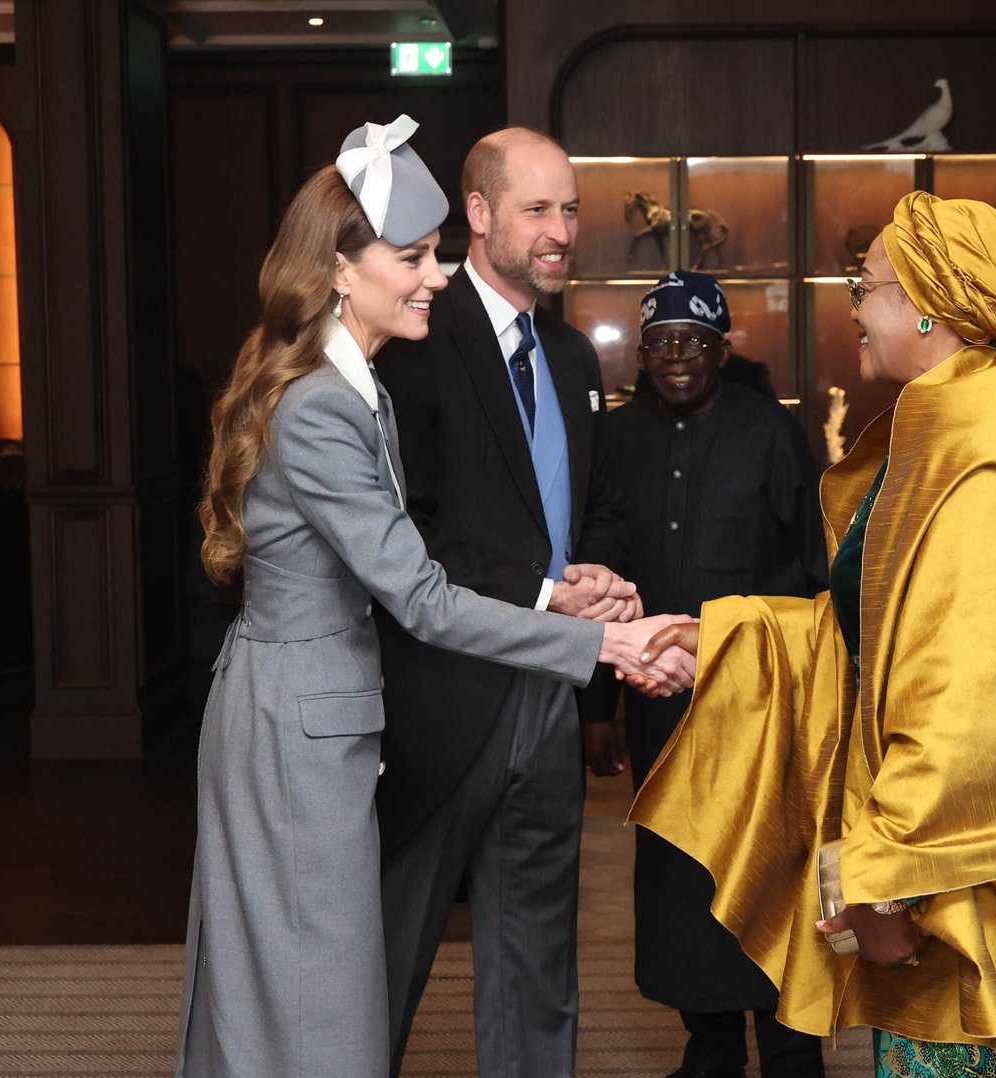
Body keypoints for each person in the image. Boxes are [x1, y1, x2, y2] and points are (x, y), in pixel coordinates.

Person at [175, 115, 688, 1077]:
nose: (436, 275)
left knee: (306, 991)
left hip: (326, 712)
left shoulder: (356, 388)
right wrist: (605, 645)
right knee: (313, 995)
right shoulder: (326, 406)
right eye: (411, 257)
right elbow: (421, 596)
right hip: (298, 723)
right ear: (340, 270)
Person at [628, 194, 996, 1076]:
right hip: (972, 832)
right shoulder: (954, 423)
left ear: (928, 308)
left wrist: (877, 881)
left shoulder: (986, 462)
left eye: (863, 287)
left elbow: (969, 701)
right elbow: (880, 628)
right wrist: (723, 636)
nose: (853, 309)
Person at [372, 125, 635, 1076]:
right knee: (383, 965)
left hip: (550, 697)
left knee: (537, 971)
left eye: (571, 209)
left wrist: (596, 578)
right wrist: (545, 593)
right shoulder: (412, 340)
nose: (561, 230)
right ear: (478, 214)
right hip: (439, 697)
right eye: (538, 209)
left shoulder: (571, 356)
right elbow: (407, 532)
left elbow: (592, 506)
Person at [592, 271, 830, 1078]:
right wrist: (596, 707)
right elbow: (602, 570)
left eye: (693, 342)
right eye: (660, 343)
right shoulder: (617, 438)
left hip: (761, 707)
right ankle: (713, 1047)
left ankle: (792, 1054)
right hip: (657, 708)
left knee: (769, 874)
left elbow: (818, 570)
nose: (676, 357)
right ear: (641, 355)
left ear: (722, 350)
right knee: (680, 885)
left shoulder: (771, 430)